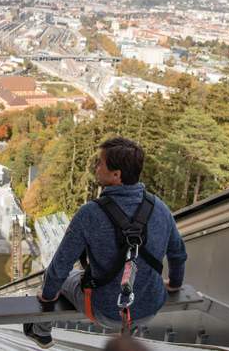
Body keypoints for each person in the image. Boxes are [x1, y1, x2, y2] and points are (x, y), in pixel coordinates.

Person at [23, 137, 187, 348]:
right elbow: (178, 254)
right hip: (150, 307)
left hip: (105, 311)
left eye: (100, 163)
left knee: (54, 278)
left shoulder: (90, 213)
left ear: (116, 175)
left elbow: (60, 266)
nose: (96, 167)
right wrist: (174, 284)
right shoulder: (160, 208)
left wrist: (47, 297)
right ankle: (132, 327)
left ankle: (41, 332)